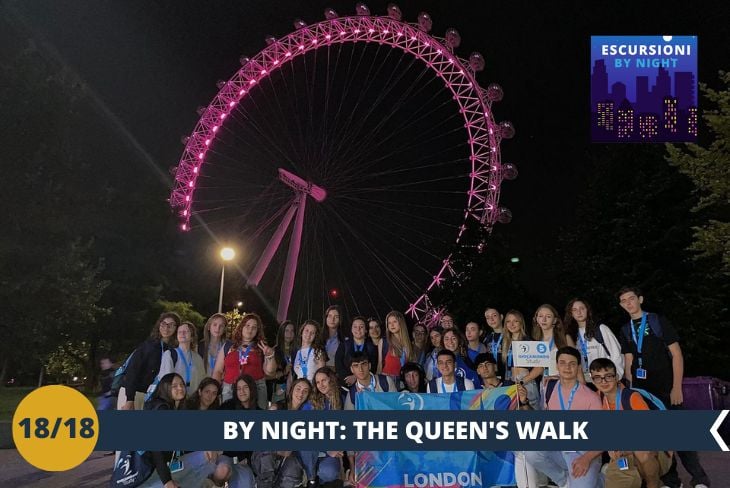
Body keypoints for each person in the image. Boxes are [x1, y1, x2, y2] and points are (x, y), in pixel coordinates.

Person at [617, 286, 710, 488]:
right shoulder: (625, 329)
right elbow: (628, 360)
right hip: (643, 393)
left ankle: (699, 479)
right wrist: (632, 391)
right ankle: (671, 480)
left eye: (631, 298)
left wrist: (676, 387)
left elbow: (676, 354)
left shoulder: (657, 321)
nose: (628, 303)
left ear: (640, 299)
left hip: (666, 388)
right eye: (624, 301)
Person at [521, 347, 603, 488]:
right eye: (562, 363)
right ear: (557, 365)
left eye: (572, 364)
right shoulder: (549, 388)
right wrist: (524, 402)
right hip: (558, 449)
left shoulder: (591, 397)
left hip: (583, 453)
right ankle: (563, 481)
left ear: (578, 367)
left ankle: (600, 480)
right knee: (531, 450)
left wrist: (586, 459)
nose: (567, 367)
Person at [590, 357, 672, 488]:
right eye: (598, 377)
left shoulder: (631, 397)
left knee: (642, 450)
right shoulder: (596, 399)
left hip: (657, 452)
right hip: (623, 454)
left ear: (616, 377)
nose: (603, 381)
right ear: (592, 380)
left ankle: (653, 484)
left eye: (608, 376)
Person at [212, 313, 276, 408]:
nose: (250, 329)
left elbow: (270, 372)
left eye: (254, 327)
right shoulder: (228, 346)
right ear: (241, 327)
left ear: (257, 331)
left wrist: (270, 356)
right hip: (230, 389)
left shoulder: (262, 348)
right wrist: (214, 389)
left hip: (256, 389)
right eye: (247, 325)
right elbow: (218, 371)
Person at [118, 312, 180, 410]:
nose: (166, 327)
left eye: (171, 325)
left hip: (151, 398)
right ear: (159, 325)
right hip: (134, 394)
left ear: (176, 328)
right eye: (163, 323)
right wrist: (130, 400)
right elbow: (132, 371)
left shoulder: (173, 351)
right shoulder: (148, 346)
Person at [301, 367, 345, 487]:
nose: (321, 385)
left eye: (323, 380)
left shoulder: (342, 399)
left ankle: (318, 476)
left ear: (331, 379)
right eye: (318, 382)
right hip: (312, 450)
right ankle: (311, 479)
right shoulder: (311, 404)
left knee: (329, 473)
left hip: (330, 453)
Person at [564, 298, 624, 384]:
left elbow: (616, 353)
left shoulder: (600, 329)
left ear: (587, 310)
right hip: (582, 381)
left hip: (603, 380)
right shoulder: (572, 334)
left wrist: (615, 377)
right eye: (574, 310)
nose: (579, 312)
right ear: (571, 314)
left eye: (582, 308)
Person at [502, 310, 542, 408]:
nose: (511, 324)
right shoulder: (505, 343)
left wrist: (522, 382)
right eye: (508, 321)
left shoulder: (529, 341)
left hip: (526, 383)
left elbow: (540, 368)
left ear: (521, 323)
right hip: (510, 382)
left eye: (515, 321)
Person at [158, 321, 206, 395]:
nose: (182, 333)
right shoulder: (169, 354)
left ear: (192, 337)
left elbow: (202, 380)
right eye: (179, 332)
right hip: (174, 397)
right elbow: (166, 380)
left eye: (186, 331)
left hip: (192, 398)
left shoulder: (198, 358)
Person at [532, 304, 574, 379]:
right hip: (543, 384)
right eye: (541, 316)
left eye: (548, 316)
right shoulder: (534, 341)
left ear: (554, 320)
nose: (544, 320)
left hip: (562, 382)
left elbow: (575, 365)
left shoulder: (565, 339)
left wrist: (558, 377)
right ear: (537, 319)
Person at [335, 316, 378, 387]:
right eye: (355, 327)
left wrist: (356, 377)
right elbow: (338, 364)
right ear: (351, 329)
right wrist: (347, 378)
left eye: (361, 327)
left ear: (366, 330)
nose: (358, 329)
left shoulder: (371, 347)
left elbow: (373, 366)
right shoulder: (344, 345)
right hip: (346, 384)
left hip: (366, 385)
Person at [381, 311, 414, 385]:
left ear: (401, 323)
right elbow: (380, 364)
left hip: (404, 380)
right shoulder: (384, 342)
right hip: (387, 380)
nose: (392, 325)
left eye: (394, 322)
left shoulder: (409, 343)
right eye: (389, 323)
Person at [270, 320, 296, 405]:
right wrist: (284, 372)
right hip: (279, 387)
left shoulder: (296, 351)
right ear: (282, 332)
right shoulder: (275, 351)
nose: (289, 334)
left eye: (292, 331)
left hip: (294, 387)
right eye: (287, 331)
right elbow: (269, 375)